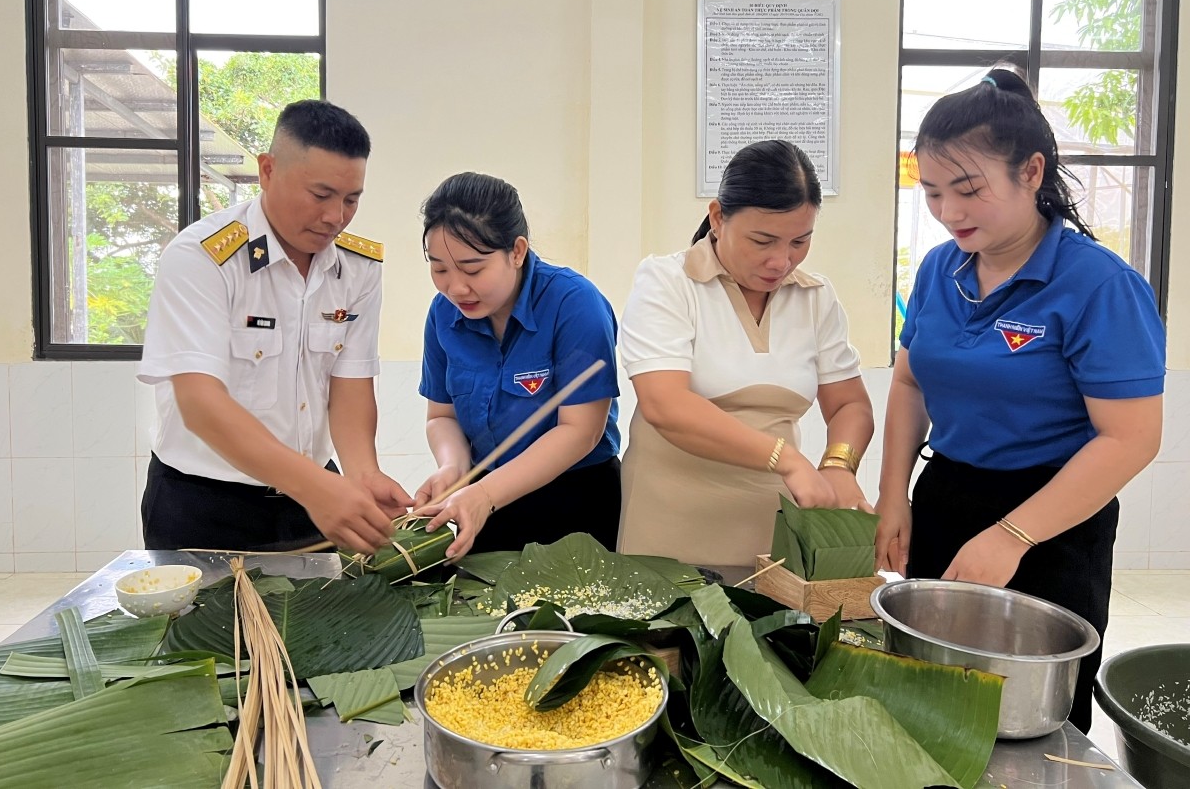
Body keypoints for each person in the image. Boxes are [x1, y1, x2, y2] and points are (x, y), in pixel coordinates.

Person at [875, 66, 1165, 733]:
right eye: (933, 192)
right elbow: (910, 382)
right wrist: (893, 495)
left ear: (1031, 172)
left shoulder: (1098, 285)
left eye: (969, 190)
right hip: (946, 496)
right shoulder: (939, 269)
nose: (949, 212)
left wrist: (1013, 535)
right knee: (929, 694)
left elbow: (1131, 438)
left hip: (1051, 521)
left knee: (1028, 719)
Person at [138, 99, 412, 555]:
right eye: (320, 195)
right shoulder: (202, 258)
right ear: (267, 170)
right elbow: (199, 403)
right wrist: (316, 487)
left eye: (351, 199)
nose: (336, 216)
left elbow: (349, 383)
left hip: (312, 502)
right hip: (203, 504)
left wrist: (363, 475)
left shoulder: (358, 268)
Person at [616, 139, 875, 567]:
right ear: (718, 218)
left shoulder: (815, 298)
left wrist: (838, 465)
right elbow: (665, 404)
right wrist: (785, 459)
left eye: (799, 242)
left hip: (773, 537)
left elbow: (849, 403)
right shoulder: (668, 282)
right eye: (763, 240)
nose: (781, 261)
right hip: (672, 531)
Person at [413, 172, 622, 559]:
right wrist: (453, 468)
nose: (455, 288)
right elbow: (441, 416)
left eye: (472, 269)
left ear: (517, 251)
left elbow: (581, 431)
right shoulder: (444, 313)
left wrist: (485, 493)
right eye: (440, 269)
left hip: (576, 498)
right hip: (482, 499)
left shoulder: (575, 304)